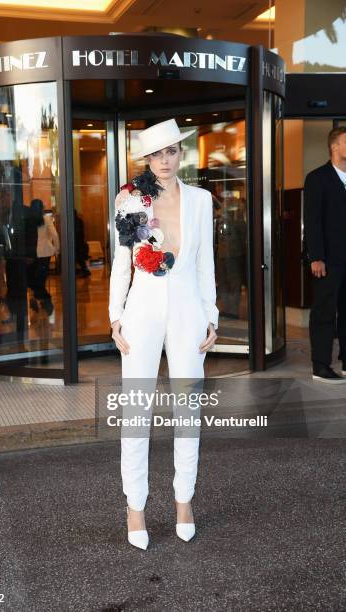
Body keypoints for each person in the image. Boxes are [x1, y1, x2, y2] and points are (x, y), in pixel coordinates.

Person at [109, 118, 218, 550]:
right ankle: (135, 507)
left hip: (190, 308)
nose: (165, 160)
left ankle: (183, 501)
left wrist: (211, 314)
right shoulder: (130, 199)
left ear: (181, 153)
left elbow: (205, 261)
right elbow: (122, 261)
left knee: (188, 409)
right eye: (156, 154)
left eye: (171, 151)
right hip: (142, 309)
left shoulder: (201, 200)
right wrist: (116, 315)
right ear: (147, 159)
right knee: (137, 410)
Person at [304, 126, 346, 383]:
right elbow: (313, 221)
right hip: (327, 261)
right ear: (335, 146)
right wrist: (316, 256)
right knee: (324, 313)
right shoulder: (317, 178)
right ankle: (320, 365)